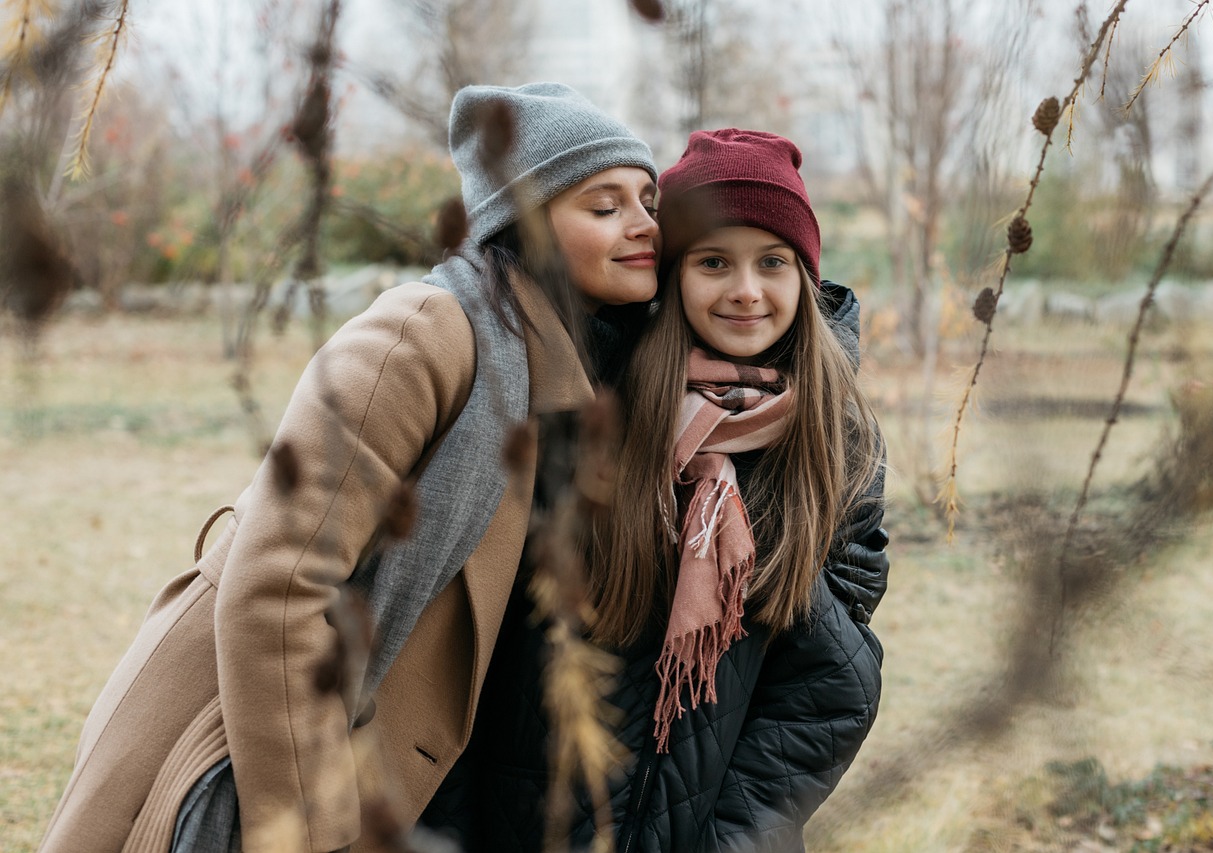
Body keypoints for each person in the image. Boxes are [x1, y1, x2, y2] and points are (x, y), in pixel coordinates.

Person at [39, 82, 661, 853]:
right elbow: (280, 581)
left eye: (649, 201)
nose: (644, 226)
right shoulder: (427, 333)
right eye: (605, 207)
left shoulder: (564, 368)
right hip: (236, 733)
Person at [421, 129, 890, 852]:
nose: (745, 290)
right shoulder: (592, 405)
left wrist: (733, 838)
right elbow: (480, 637)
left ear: (803, 276)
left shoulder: (838, 443)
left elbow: (828, 687)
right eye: (712, 262)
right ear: (673, 274)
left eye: (772, 262)